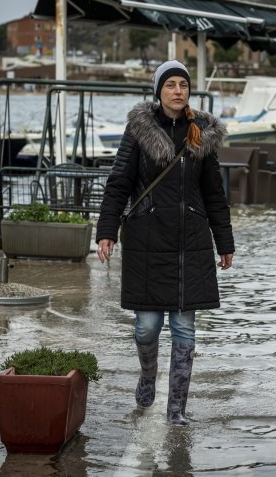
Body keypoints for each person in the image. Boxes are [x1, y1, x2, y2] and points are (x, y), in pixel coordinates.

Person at [96, 60, 234, 426]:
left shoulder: (199, 133)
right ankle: (146, 374)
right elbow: (118, 184)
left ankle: (176, 410)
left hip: (190, 241)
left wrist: (225, 241)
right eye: (170, 84)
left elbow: (213, 193)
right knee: (147, 327)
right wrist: (106, 231)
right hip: (147, 240)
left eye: (183, 85)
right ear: (158, 91)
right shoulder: (139, 130)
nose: (177, 91)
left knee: (185, 329)